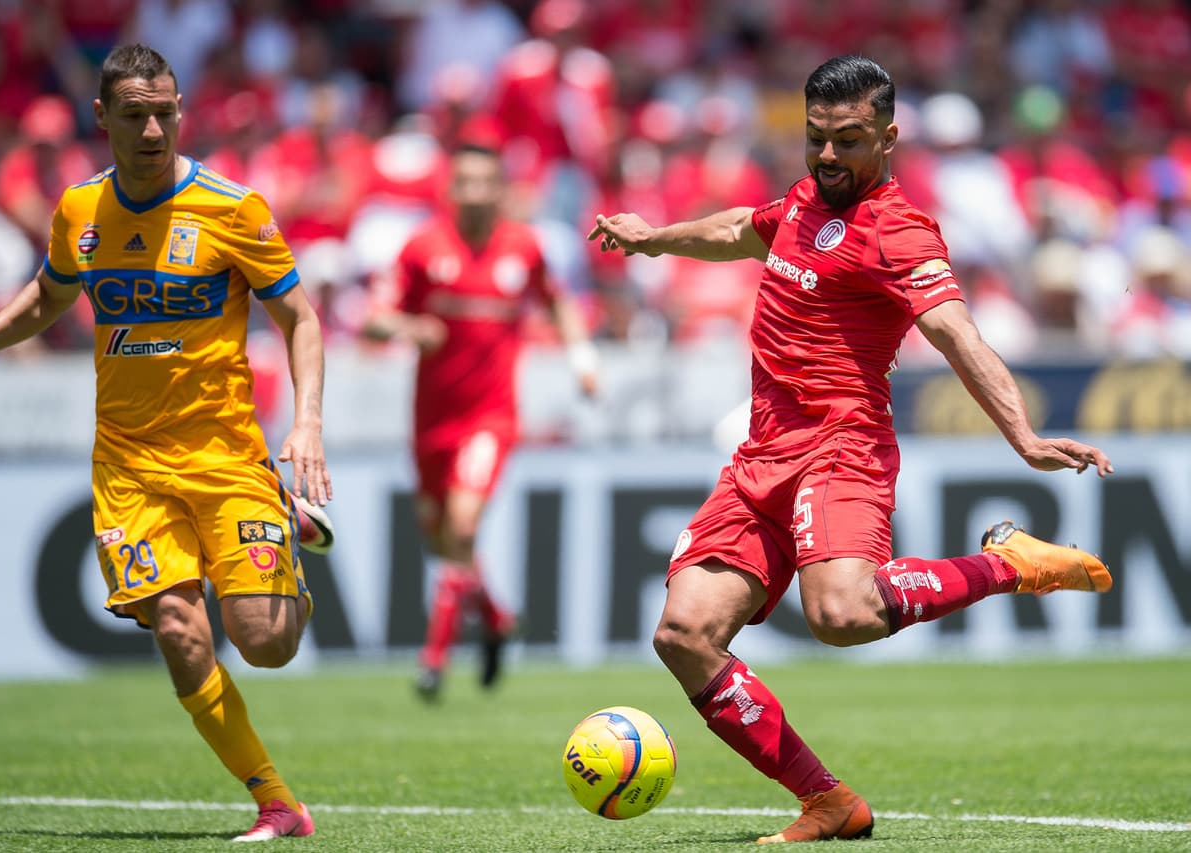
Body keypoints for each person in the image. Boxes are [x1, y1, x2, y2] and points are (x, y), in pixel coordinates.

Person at [588, 55, 1114, 845]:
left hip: (842, 443)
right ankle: (828, 800)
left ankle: (1009, 562)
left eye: (849, 141)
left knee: (840, 614)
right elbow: (741, 228)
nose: (829, 157)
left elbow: (954, 330)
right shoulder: (806, 197)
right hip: (763, 450)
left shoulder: (899, 229)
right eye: (816, 139)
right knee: (683, 634)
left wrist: (1023, 435)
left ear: (890, 137)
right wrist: (653, 238)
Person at [0, 44, 334, 842]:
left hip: (225, 454)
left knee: (264, 643)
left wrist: (309, 420)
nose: (154, 128)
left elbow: (301, 318)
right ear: (102, 118)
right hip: (128, 462)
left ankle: (281, 527)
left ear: (182, 110)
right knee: (182, 634)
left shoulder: (233, 208)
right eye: (136, 114)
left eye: (166, 111)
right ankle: (277, 803)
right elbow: (51, 296)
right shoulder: (80, 211)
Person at [364, 129, 598, 701]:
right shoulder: (422, 248)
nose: (472, 192)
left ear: (500, 190)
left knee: (462, 528)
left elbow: (559, 300)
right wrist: (408, 327)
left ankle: (433, 660)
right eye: (463, 181)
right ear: (450, 187)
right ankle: (495, 618)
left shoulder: (524, 248)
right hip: (430, 423)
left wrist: (582, 356)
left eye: (483, 183)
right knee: (442, 543)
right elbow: (373, 317)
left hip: (491, 419)